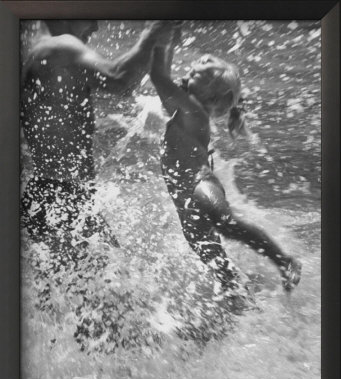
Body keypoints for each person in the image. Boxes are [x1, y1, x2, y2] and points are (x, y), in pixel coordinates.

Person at [149, 30, 301, 309]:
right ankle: (244, 306)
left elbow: (158, 76)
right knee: (219, 266)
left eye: (194, 75)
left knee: (225, 224)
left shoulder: (193, 110)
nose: (186, 74)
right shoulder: (182, 108)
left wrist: (159, 35)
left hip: (199, 184)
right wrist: (167, 41)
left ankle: (284, 259)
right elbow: (164, 78)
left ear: (209, 96)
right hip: (185, 200)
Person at [21, 20, 173, 265]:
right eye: (90, 16)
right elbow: (121, 80)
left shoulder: (31, 46)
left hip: (46, 194)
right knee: (116, 288)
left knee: (64, 294)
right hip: (63, 201)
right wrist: (150, 34)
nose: (95, 27)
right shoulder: (62, 47)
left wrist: (158, 44)